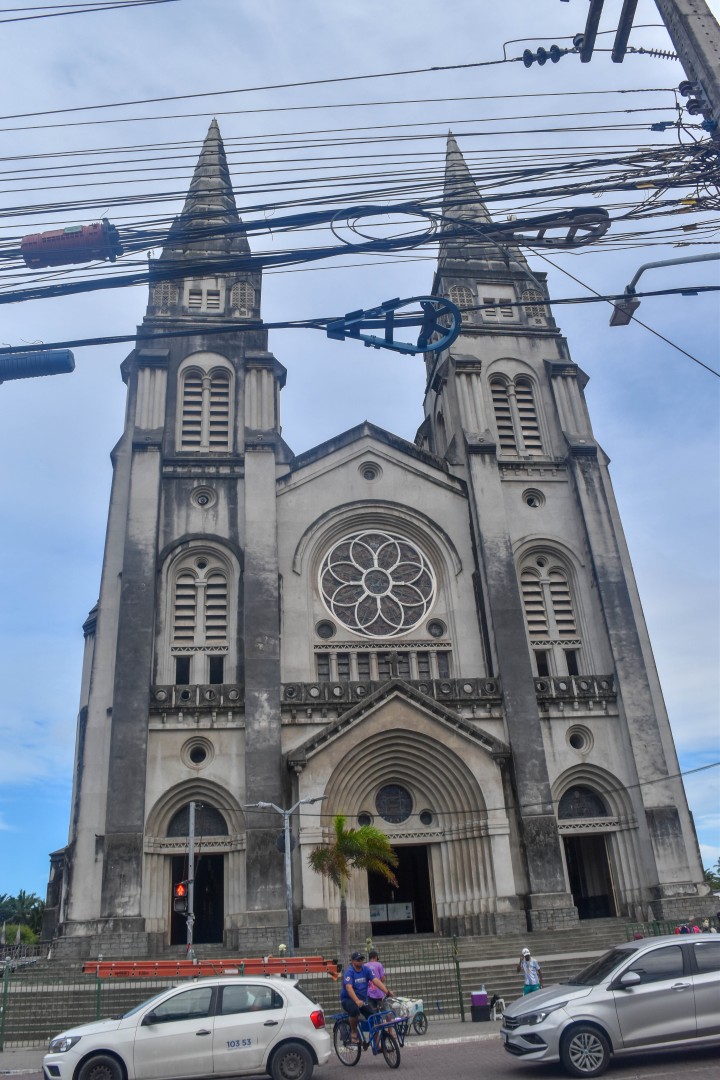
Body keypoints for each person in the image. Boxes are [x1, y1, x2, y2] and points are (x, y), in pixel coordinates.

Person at [340, 951, 391, 1042]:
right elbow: (349, 987)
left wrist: (386, 991)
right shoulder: (349, 972)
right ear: (353, 961)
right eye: (358, 960)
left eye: (362, 959)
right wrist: (356, 1000)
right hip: (348, 999)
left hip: (363, 1000)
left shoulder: (366, 970)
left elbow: (376, 981)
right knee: (354, 1010)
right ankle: (354, 1033)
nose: (361, 961)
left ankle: (376, 1044)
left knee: (374, 1017)